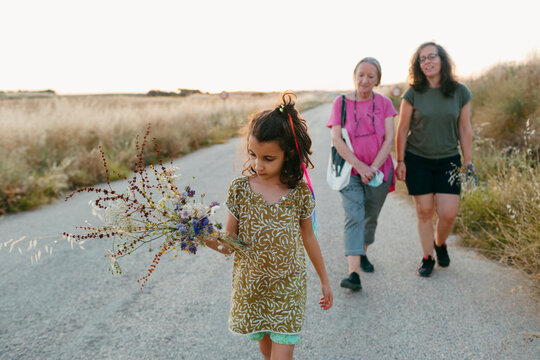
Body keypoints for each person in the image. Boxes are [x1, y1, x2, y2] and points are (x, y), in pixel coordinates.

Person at [203, 91, 333, 360]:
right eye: (253, 155)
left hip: (288, 288)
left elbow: (308, 237)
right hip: (253, 288)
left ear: (288, 155)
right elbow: (230, 244)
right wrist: (202, 236)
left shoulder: (299, 192)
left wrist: (324, 280)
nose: (257, 165)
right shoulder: (240, 189)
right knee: (266, 353)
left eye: (268, 159)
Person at [395, 42, 473, 277]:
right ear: (418, 65)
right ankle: (428, 257)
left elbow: (465, 128)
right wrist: (400, 161)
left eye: (432, 57)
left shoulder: (460, 91)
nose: (427, 62)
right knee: (425, 212)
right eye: (422, 59)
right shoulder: (412, 93)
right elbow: (402, 129)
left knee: (448, 213)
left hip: (449, 159)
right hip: (417, 159)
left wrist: (467, 161)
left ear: (442, 60)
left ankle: (440, 243)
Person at [327, 57, 397, 291]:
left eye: (371, 76)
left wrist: (373, 168)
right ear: (354, 76)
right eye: (361, 75)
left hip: (379, 173)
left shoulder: (385, 103)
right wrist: (360, 167)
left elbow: (389, 139)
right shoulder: (341, 102)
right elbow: (336, 139)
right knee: (354, 216)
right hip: (350, 172)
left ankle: (363, 250)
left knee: (370, 218)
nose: (365, 80)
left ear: (378, 80)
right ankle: (353, 273)